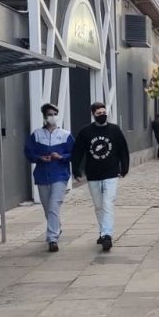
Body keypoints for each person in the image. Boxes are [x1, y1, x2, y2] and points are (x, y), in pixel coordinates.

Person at [71, 102, 130, 252]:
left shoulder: (114, 130)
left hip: (111, 173)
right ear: (93, 114)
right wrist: (76, 169)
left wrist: (124, 167)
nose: (102, 115)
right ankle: (103, 230)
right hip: (93, 174)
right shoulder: (86, 132)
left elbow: (123, 149)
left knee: (108, 203)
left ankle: (107, 235)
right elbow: (78, 151)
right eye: (99, 113)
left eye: (104, 112)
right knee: (99, 206)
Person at [23, 103, 74, 252]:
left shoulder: (65, 135)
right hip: (42, 176)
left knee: (53, 205)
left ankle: (52, 239)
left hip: (60, 175)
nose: (53, 117)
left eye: (55, 114)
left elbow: (74, 153)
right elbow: (28, 152)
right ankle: (56, 227)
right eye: (50, 114)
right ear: (45, 117)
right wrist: (39, 158)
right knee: (47, 208)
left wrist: (61, 156)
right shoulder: (37, 134)